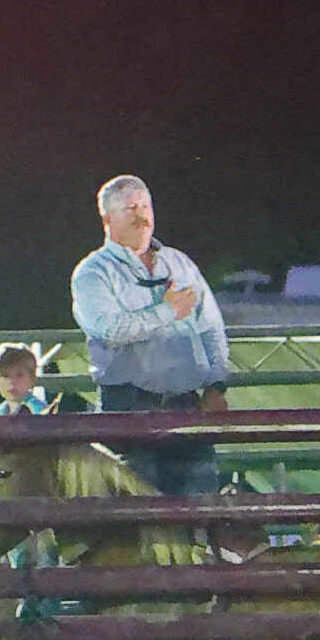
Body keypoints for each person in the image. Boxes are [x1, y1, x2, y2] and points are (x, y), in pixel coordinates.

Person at [71, 174, 230, 495]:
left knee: (198, 509)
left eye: (145, 206)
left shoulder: (180, 263)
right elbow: (110, 329)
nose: (141, 216)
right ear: (107, 219)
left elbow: (211, 327)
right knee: (137, 511)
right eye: (130, 209)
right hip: (127, 409)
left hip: (187, 406)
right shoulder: (92, 273)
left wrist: (216, 385)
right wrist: (168, 311)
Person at [0, 343, 47, 415]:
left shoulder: (39, 411)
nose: (11, 381)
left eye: (19, 376)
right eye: (5, 376)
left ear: (32, 379)